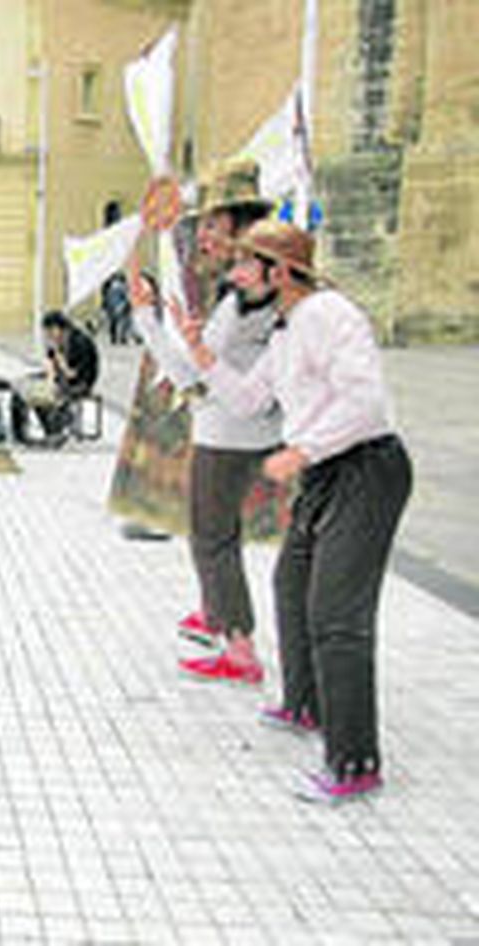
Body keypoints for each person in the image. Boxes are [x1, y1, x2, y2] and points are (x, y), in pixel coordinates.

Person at [174, 219, 413, 804]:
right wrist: (203, 353)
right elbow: (251, 398)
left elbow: (365, 401)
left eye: (244, 265)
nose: (233, 275)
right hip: (325, 470)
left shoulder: (330, 316)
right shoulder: (283, 330)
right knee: (290, 585)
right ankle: (305, 705)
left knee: (337, 616)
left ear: (279, 272)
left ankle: (355, 761)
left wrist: (302, 448)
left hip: (367, 468)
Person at [129, 161, 281, 685]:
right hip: (241, 429)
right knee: (218, 536)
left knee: (212, 539)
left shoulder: (242, 303)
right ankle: (221, 621)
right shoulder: (250, 292)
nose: (206, 236)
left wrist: (148, 321)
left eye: (215, 225)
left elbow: (191, 375)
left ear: (243, 230)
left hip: (229, 434)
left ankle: (239, 647)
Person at [12, 312, 99, 444]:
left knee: (42, 394)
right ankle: (21, 434)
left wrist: (58, 357)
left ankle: (54, 429)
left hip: (81, 382)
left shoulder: (79, 342)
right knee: (24, 386)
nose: (49, 336)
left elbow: (72, 373)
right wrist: (49, 377)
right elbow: (51, 366)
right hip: (62, 378)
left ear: (58, 328)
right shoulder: (57, 342)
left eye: (50, 331)